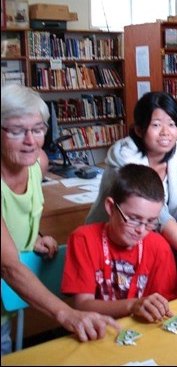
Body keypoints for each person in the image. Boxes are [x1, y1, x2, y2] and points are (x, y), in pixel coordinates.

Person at [1, 84, 120, 356]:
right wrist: (67, 315)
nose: (31, 140)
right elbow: (8, 267)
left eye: (38, 128)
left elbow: (17, 215)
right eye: (17, 131)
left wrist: (38, 237)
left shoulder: (38, 163)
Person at [85, 91, 177, 295]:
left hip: (153, 237)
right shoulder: (124, 156)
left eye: (172, 124)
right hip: (115, 236)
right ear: (139, 129)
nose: (166, 132)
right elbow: (159, 212)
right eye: (156, 125)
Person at [62, 164, 177, 322]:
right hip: (96, 329)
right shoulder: (83, 239)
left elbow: (167, 305)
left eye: (151, 221)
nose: (141, 230)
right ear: (111, 208)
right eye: (133, 218)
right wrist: (132, 306)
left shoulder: (159, 246)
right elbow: (82, 305)